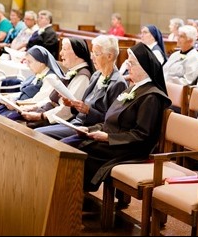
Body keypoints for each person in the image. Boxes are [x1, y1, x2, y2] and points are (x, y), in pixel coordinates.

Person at [62, 42, 172, 192]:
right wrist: (88, 129)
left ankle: (74, 197)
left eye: (131, 63)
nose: (127, 67)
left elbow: (142, 135)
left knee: (71, 150)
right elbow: (111, 120)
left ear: (144, 67)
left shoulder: (151, 96)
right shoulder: (134, 87)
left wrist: (107, 137)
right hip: (114, 140)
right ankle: (70, 194)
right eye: (128, 63)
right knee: (67, 142)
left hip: (128, 148)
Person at [35, 35, 128, 139]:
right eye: (92, 53)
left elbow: (111, 120)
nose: (92, 57)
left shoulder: (118, 83)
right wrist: (73, 105)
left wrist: (88, 111)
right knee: (37, 131)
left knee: (41, 134)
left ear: (109, 56)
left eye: (96, 54)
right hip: (76, 122)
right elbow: (82, 106)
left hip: (90, 128)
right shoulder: (97, 75)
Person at [20, 37, 94, 128]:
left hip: (63, 120)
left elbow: (67, 110)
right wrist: (33, 107)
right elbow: (51, 98)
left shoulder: (82, 76)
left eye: (64, 49)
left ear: (76, 52)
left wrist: (41, 116)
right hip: (52, 112)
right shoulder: (72, 71)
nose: (60, 53)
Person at [0, 45, 65, 120]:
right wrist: (11, 98)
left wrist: (16, 103)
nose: (27, 65)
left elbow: (38, 101)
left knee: (0, 119)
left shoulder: (50, 78)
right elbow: (24, 91)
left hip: (28, 110)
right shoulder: (38, 74)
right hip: (20, 105)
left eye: (30, 62)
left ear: (41, 63)